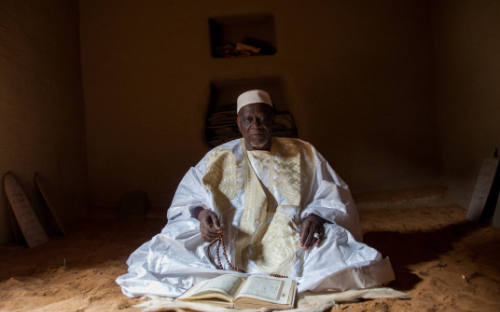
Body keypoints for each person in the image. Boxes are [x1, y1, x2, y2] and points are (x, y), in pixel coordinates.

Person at [116, 89, 394, 298]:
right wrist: (202, 216)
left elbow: (331, 193)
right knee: (167, 249)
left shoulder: (303, 152)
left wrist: (317, 217)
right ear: (238, 123)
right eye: (249, 120)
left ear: (273, 120)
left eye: (262, 119)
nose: (256, 126)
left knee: (338, 251)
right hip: (231, 235)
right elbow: (190, 196)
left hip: (293, 236)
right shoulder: (219, 156)